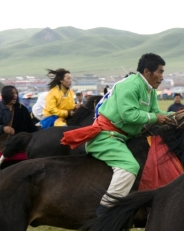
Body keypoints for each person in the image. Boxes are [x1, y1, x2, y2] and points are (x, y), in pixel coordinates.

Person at [61, 53, 173, 216]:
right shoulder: (129, 85)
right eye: (160, 72)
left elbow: (156, 112)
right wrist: (156, 117)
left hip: (123, 137)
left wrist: (175, 116)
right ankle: (106, 210)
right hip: (106, 137)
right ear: (147, 71)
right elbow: (128, 114)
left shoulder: (150, 90)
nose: (162, 77)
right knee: (130, 166)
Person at [1, 86, 38, 168]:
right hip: (2, 146)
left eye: (16, 93)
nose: (15, 95)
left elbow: (30, 126)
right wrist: (3, 128)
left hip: (19, 146)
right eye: (12, 93)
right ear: (6, 95)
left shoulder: (22, 109)